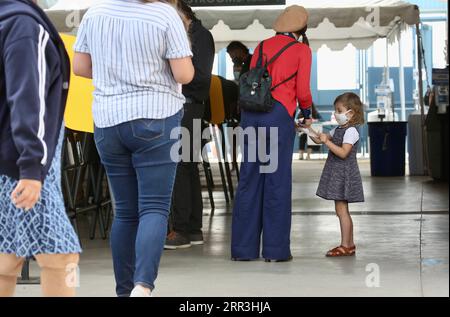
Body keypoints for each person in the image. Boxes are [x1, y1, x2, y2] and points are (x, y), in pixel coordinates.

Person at [73, 0, 194, 297]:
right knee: (153, 208)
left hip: (108, 120)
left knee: (125, 213)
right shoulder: (165, 14)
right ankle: (143, 285)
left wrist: (116, 73)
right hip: (155, 117)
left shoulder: (95, 13)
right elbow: (184, 75)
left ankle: (125, 291)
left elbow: (80, 67)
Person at [0, 0, 81, 297]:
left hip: (16, 159)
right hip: (23, 164)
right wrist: (32, 166)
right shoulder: (24, 25)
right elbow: (27, 96)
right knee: (62, 256)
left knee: (6, 257)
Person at [231, 5, 313, 262]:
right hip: (277, 118)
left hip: (251, 116)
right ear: (301, 29)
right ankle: (275, 251)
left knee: (249, 179)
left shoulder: (262, 46)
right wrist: (307, 112)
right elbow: (302, 90)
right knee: (276, 182)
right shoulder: (302, 50)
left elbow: (253, 81)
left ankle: (243, 251)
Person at [166, 1, 215, 249]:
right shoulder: (187, 34)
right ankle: (193, 228)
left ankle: (183, 229)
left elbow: (201, 78)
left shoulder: (201, 37)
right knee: (186, 166)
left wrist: (172, 75)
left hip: (188, 105)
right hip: (186, 105)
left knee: (181, 167)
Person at [312, 92, 365, 257]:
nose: (336, 114)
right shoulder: (339, 129)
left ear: (351, 113)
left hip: (344, 174)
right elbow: (320, 139)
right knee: (341, 209)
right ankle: (349, 244)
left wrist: (327, 142)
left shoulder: (351, 132)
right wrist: (308, 130)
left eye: (339, 110)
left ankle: (346, 245)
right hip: (337, 173)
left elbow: (343, 153)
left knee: (342, 210)